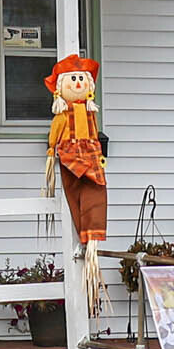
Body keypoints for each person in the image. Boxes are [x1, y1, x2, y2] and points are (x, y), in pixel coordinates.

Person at [44, 54, 108, 245]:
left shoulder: (89, 112)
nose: (78, 83)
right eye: (73, 79)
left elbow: (94, 132)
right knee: (74, 189)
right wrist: (51, 149)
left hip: (90, 152)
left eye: (81, 78)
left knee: (95, 189)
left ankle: (91, 232)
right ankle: (85, 232)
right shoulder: (64, 114)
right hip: (70, 152)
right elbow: (56, 131)